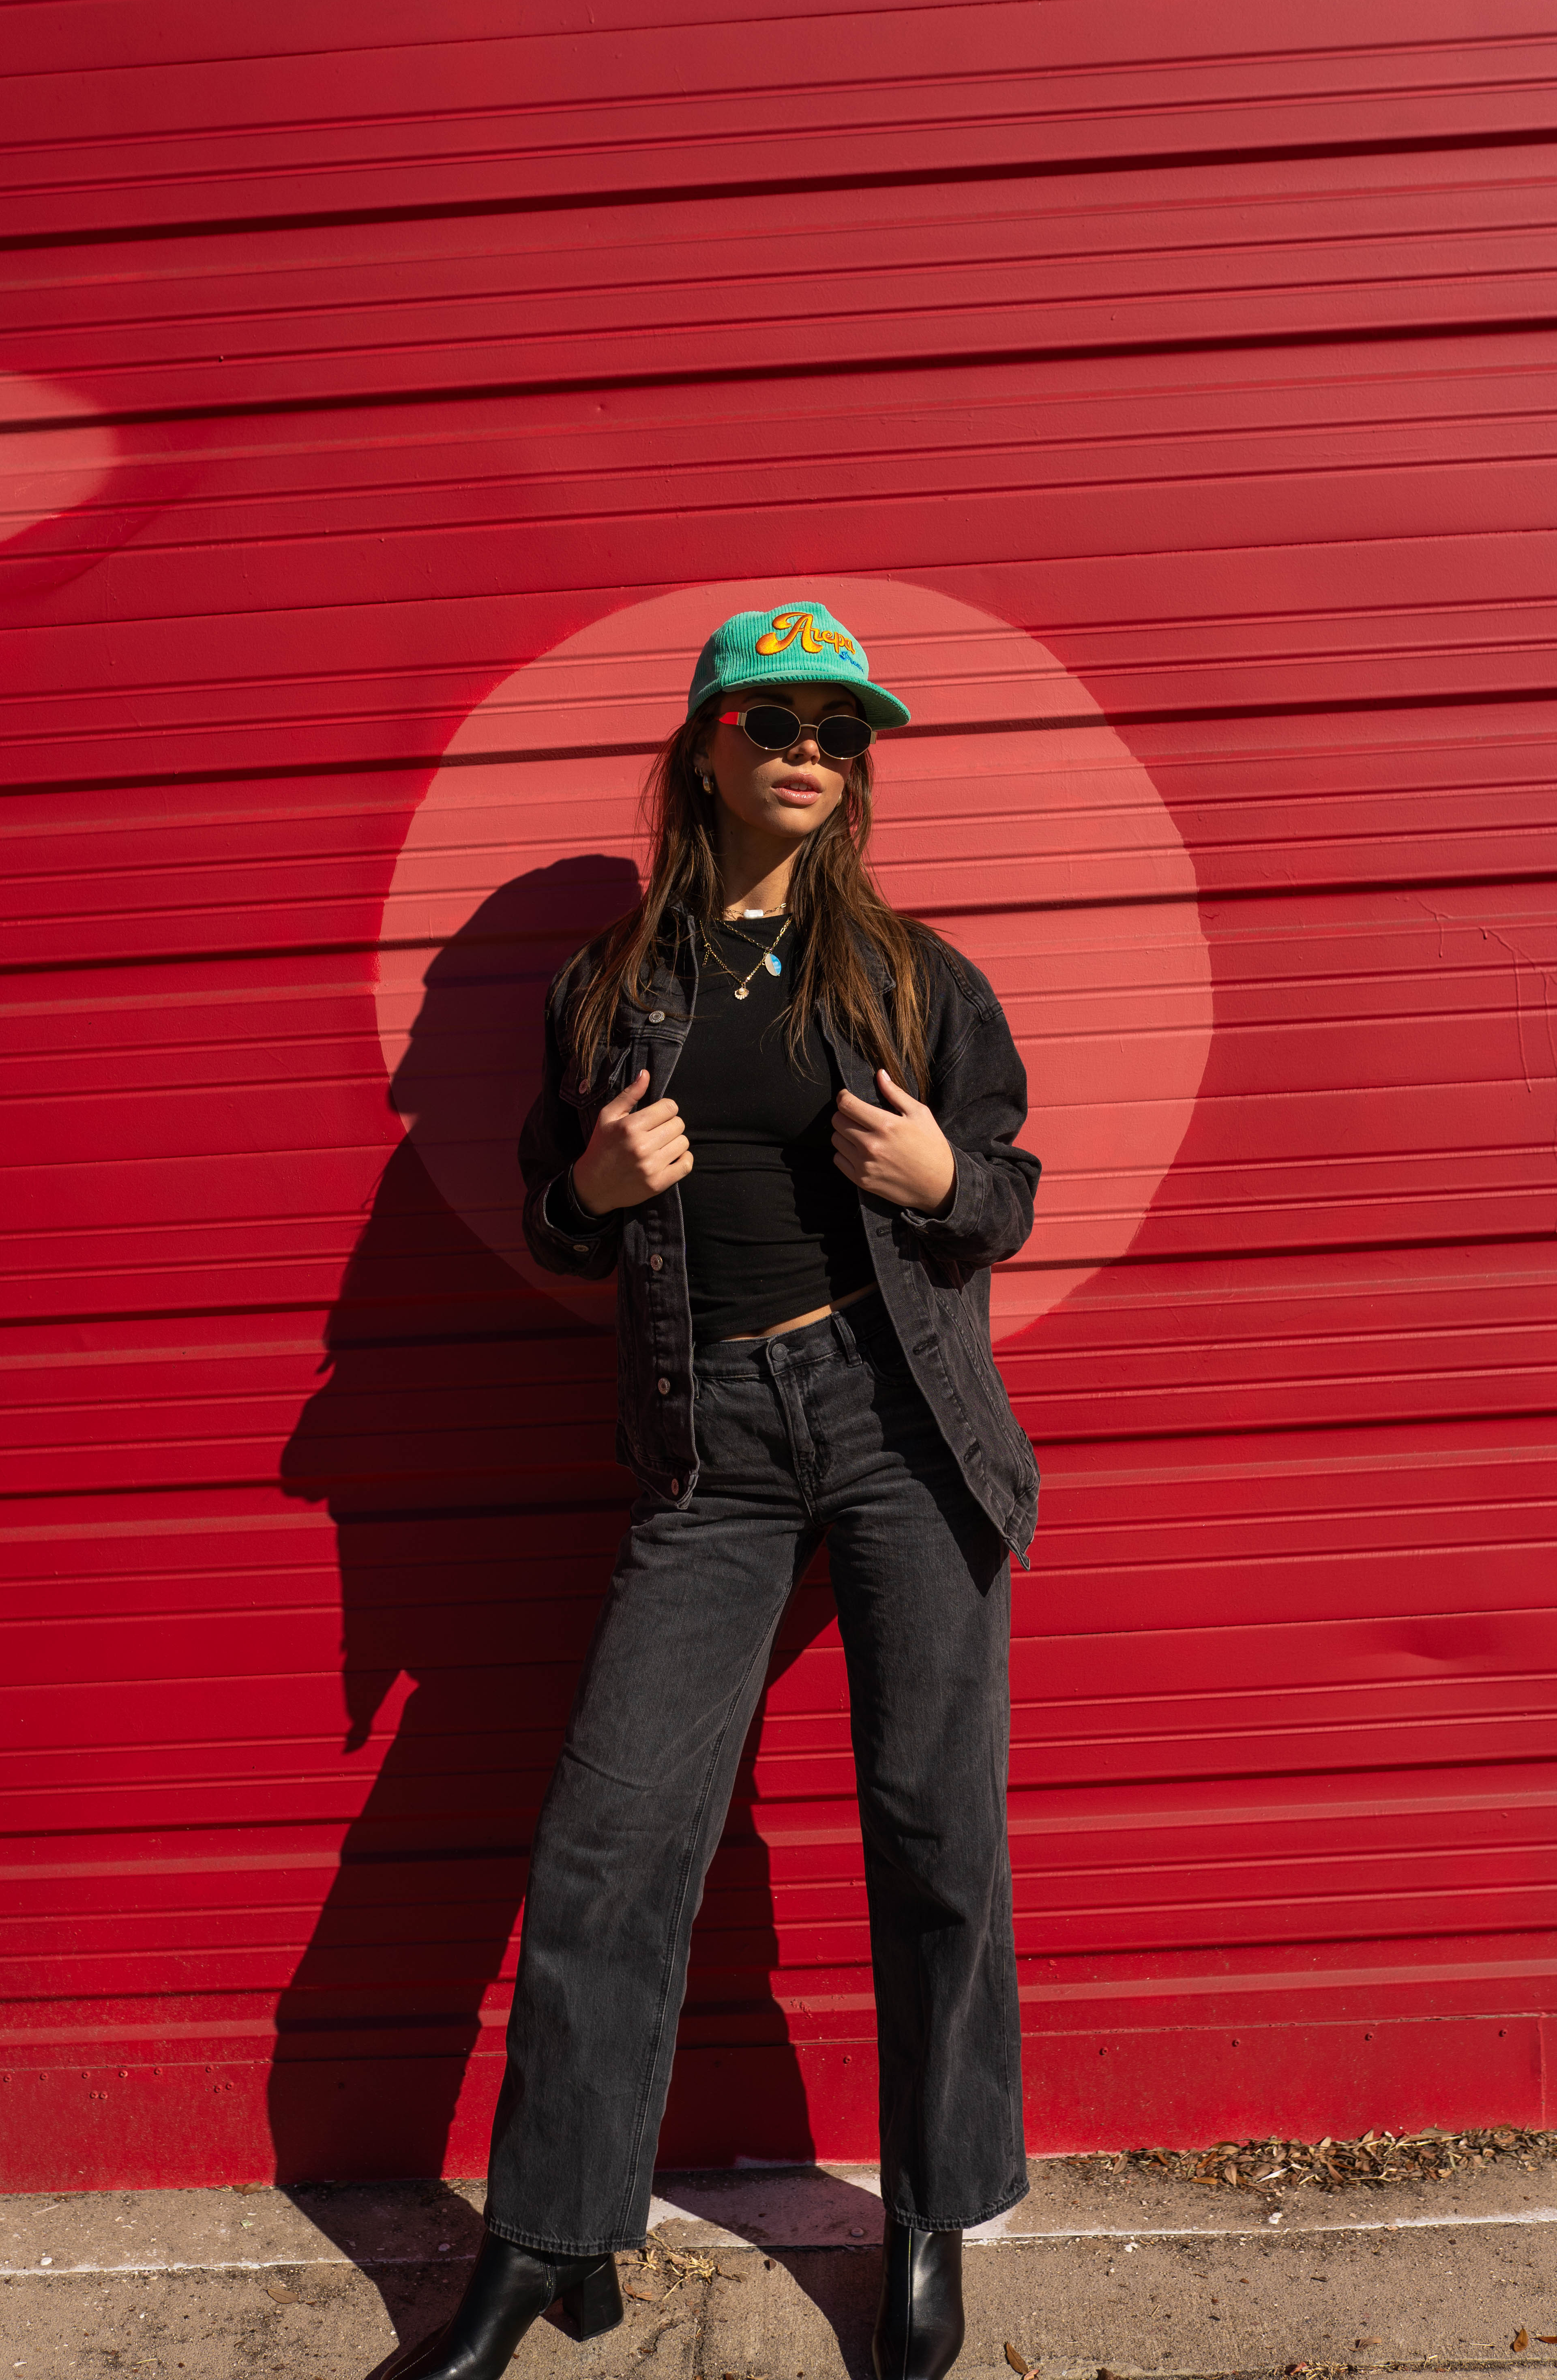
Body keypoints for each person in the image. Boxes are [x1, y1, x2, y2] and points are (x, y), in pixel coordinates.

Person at [394, 602, 1041, 2380]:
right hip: (713, 1448)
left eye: (841, 727)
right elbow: (558, 1217)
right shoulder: (608, 985)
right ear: (705, 747)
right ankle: (546, 2241)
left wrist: (942, 1176)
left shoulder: (916, 975)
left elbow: (1005, 1193)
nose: (809, 749)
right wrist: (594, 1192)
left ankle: (932, 2219)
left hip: (904, 1424)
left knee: (934, 1837)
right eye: (774, 719)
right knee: (607, 1844)